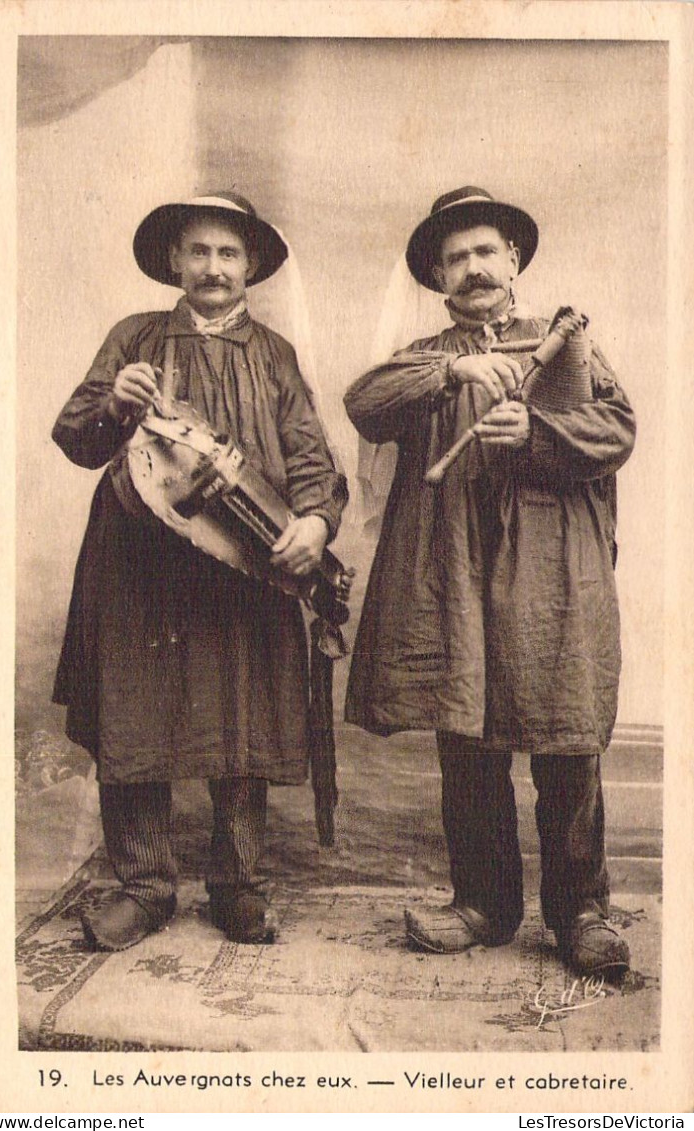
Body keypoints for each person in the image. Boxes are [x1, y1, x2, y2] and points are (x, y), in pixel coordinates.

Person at [343, 186, 636, 978]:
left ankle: (580, 911)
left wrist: (535, 428)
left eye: (484, 251)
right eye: (454, 258)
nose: (471, 268)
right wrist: (453, 373)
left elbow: (616, 428)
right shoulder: (425, 355)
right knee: (466, 743)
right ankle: (483, 904)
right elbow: (363, 403)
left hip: (549, 568)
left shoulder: (562, 340)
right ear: (437, 277)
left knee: (565, 739)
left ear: (512, 260)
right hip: (453, 571)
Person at [52, 192, 347, 951]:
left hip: (243, 569)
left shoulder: (274, 354)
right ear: (174, 261)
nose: (212, 268)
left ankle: (238, 884)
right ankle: (144, 885)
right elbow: (75, 436)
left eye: (227, 254)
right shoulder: (135, 338)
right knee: (135, 712)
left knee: (241, 716)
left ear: (249, 266)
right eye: (198, 252)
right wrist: (114, 401)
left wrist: (313, 521)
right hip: (139, 561)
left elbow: (312, 458)